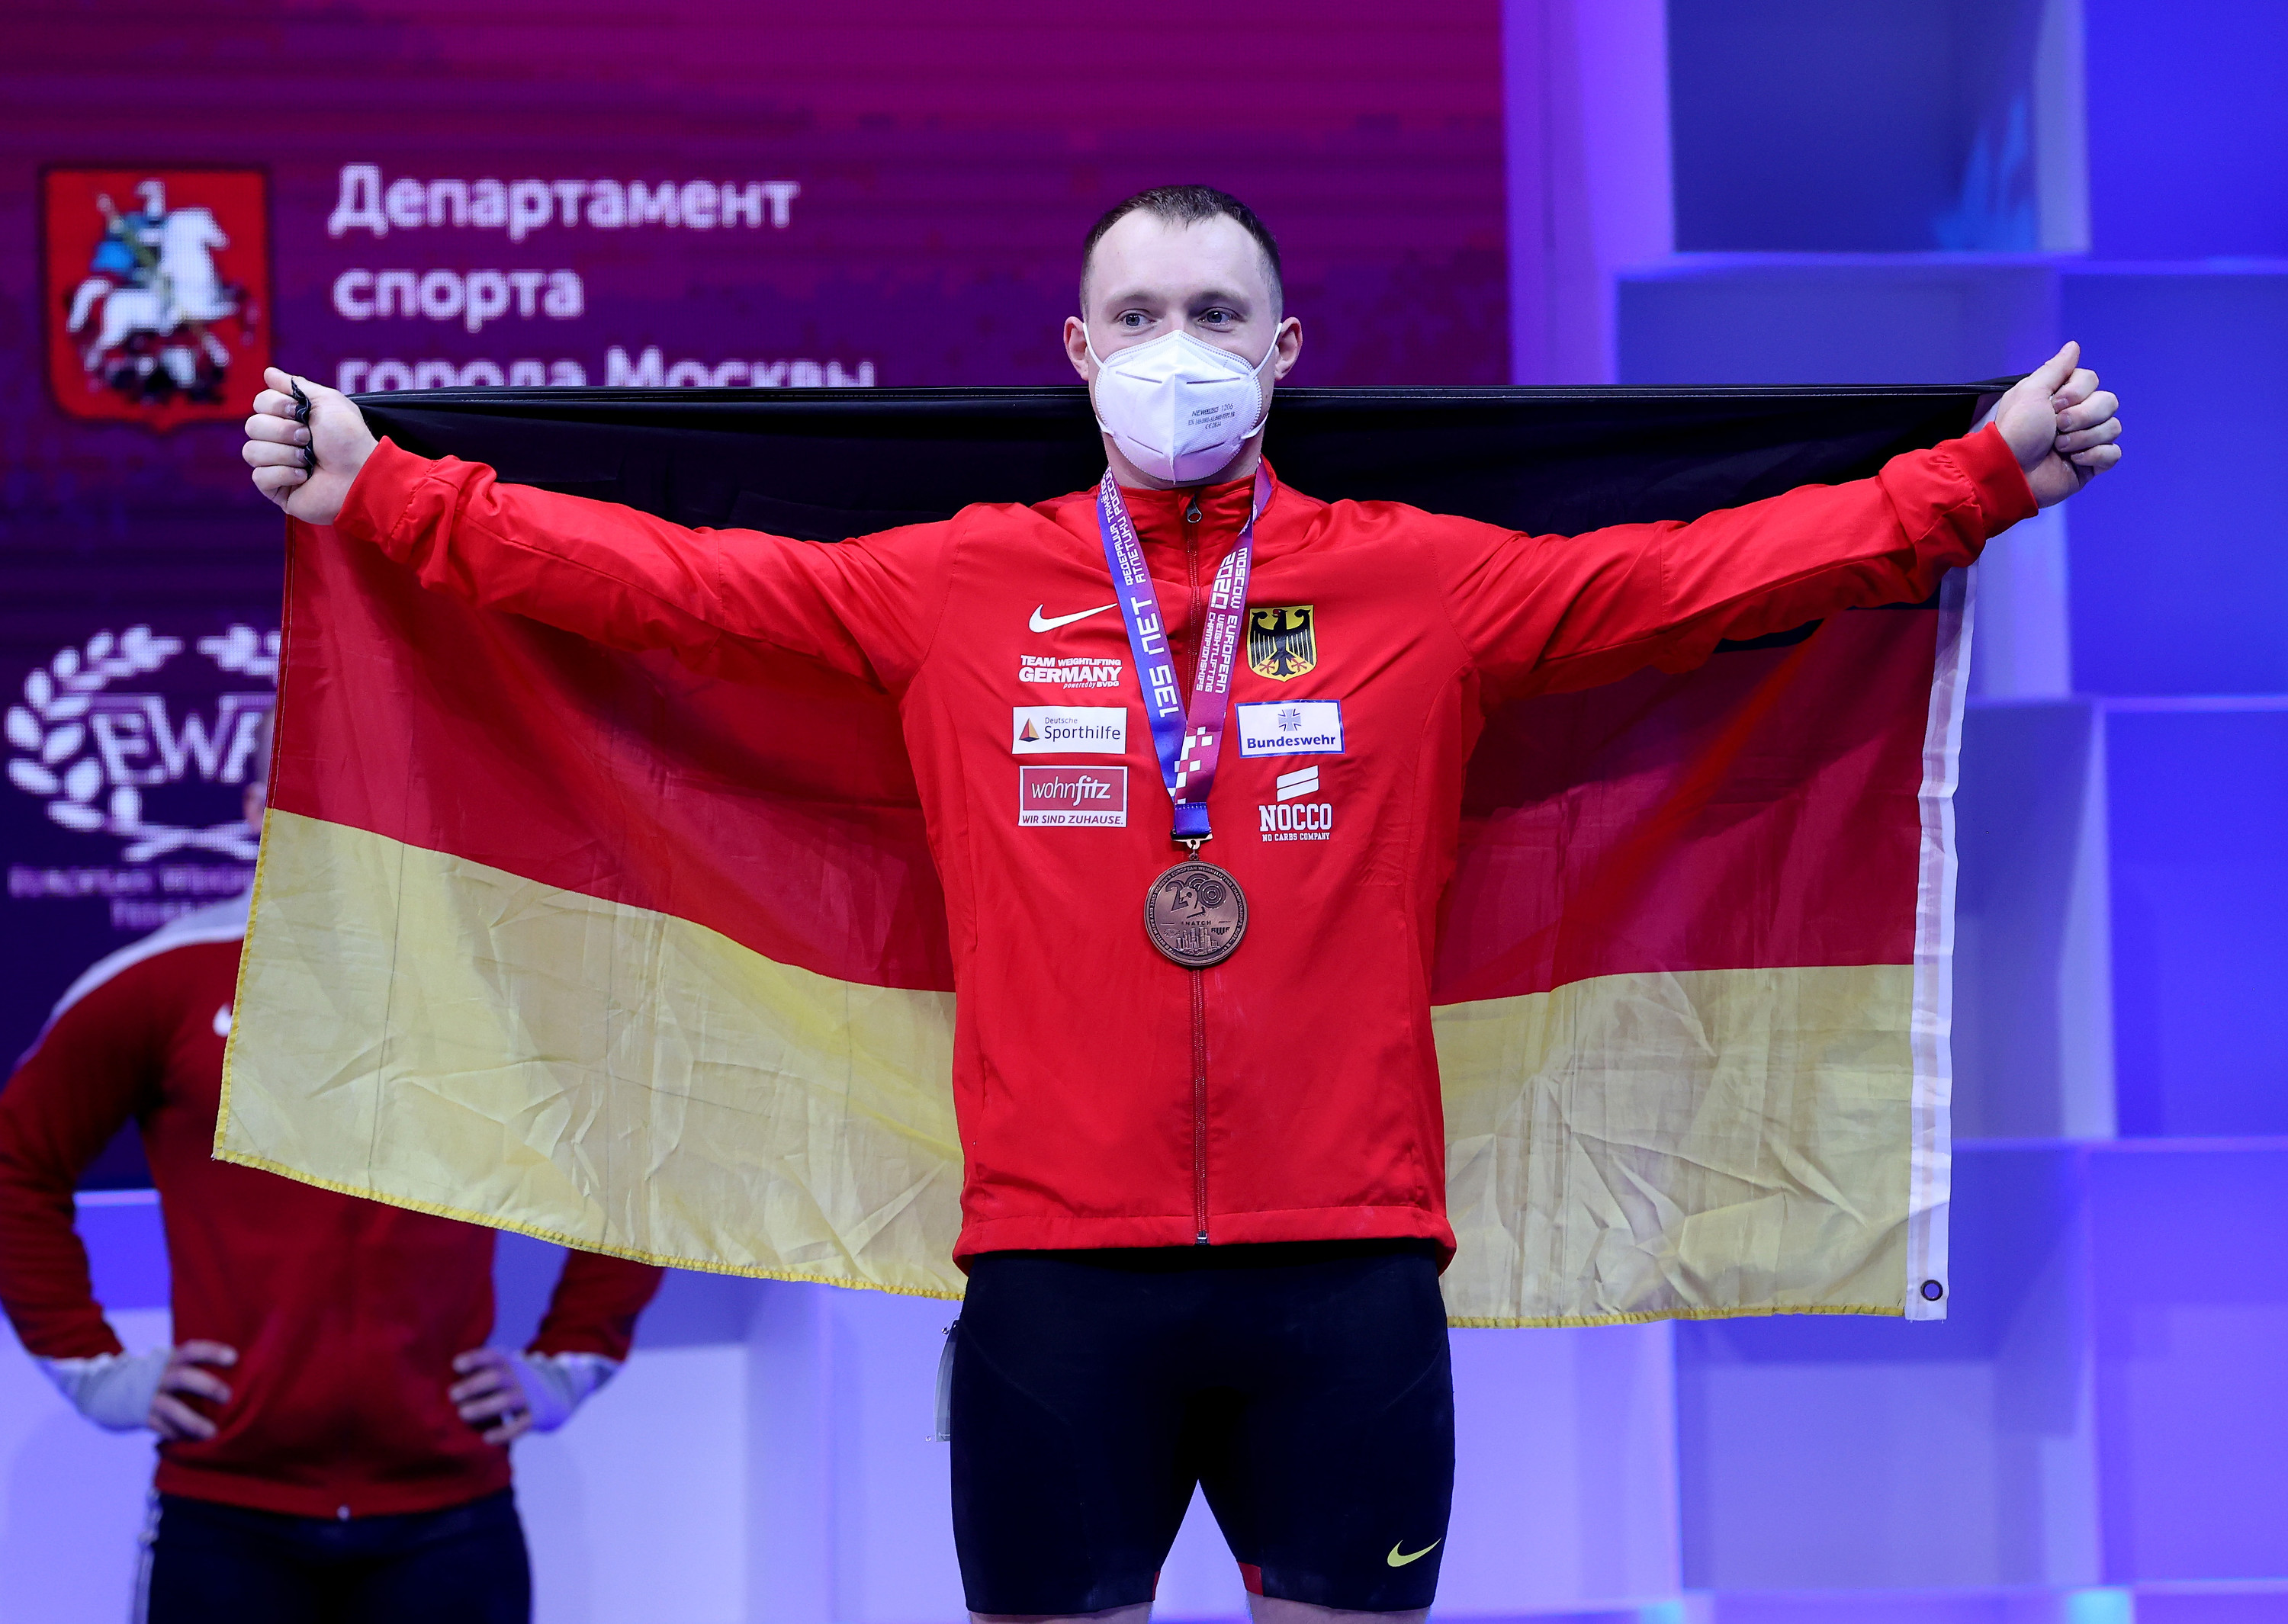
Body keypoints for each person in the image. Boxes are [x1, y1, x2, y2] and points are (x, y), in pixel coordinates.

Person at [236, 185, 2123, 1624]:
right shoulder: (950, 587)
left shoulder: (1426, 586)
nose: (1176, 345)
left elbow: (1701, 578)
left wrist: (1975, 482)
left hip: (1347, 1273)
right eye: (1137, 314)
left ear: (1285, 347)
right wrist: (383, 496)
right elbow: (664, 585)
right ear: (1076, 348)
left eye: (1214, 313)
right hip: (1057, 1282)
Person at [0, 749, 666, 1623]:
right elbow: (16, 1162)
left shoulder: (497, 975)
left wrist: (569, 1362)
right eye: (311, 763)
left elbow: (641, 1153)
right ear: (254, 805)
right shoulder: (164, 978)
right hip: (227, 1512)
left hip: (448, 1514)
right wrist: (94, 1369)